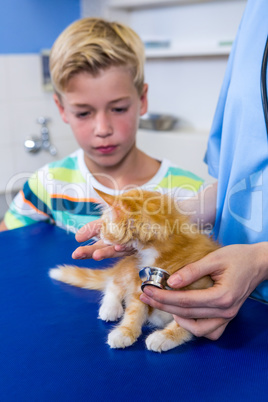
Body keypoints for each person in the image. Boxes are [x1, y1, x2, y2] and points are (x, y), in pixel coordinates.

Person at [72, 0, 268, 341]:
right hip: (226, 294)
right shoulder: (256, 13)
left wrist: (262, 259)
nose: (102, 128)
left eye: (118, 108)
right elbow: (241, 181)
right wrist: (166, 218)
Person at [0, 18, 204, 233]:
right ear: (61, 109)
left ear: (142, 100)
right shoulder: (47, 186)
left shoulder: (189, 194)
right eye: (83, 113)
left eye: (118, 109)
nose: (103, 129)